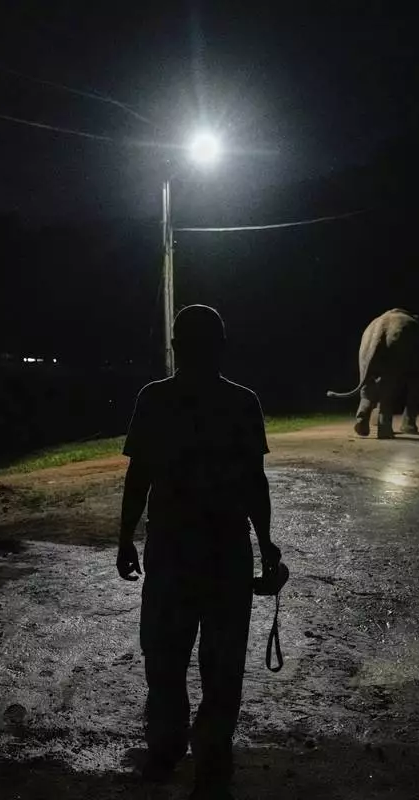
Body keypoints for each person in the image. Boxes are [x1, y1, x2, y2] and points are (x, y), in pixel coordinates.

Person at [117, 304, 280, 798]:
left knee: (165, 655)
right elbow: (255, 482)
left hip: (171, 551)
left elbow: (138, 477)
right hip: (226, 552)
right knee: (223, 659)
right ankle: (212, 753)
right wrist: (266, 543)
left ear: (176, 346)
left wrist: (126, 537)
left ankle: (166, 747)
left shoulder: (154, 399)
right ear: (221, 346)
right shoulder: (242, 402)